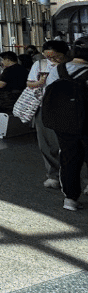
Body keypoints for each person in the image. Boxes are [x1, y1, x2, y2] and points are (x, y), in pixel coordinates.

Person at [28, 40, 69, 190]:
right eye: (49, 57)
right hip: (44, 107)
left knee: (72, 144)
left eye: (57, 57)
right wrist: (40, 82)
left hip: (69, 108)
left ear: (65, 54)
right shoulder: (40, 65)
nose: (52, 60)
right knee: (46, 143)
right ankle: (53, 175)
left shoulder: (72, 65)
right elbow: (29, 83)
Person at [52, 42, 88, 211]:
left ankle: (70, 199)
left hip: (64, 123)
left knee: (69, 159)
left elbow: (48, 94)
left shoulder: (58, 70)